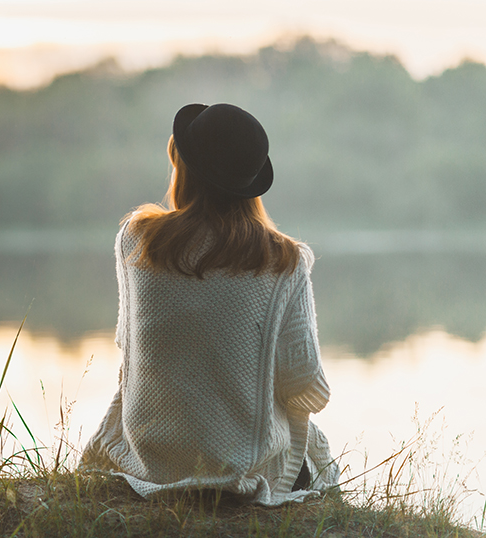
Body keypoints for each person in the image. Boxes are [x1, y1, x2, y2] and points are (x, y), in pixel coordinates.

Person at [79, 103, 338, 505]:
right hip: (238, 471)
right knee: (312, 448)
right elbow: (304, 382)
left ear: (185, 171)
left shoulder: (137, 240)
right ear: (248, 183)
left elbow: (128, 347)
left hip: (151, 457)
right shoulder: (285, 261)